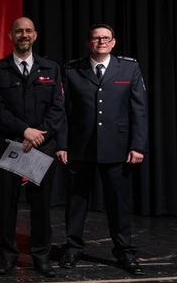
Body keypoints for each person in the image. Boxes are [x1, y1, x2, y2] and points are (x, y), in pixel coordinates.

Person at [56, 24, 148, 276]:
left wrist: (138, 145)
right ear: (88, 43)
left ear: (114, 42)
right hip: (80, 148)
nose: (101, 42)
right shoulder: (73, 69)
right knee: (76, 202)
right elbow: (62, 111)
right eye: (96, 38)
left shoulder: (129, 68)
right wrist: (62, 144)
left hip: (117, 148)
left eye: (105, 38)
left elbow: (139, 110)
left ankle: (125, 252)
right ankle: (73, 248)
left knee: (118, 203)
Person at [0, 16, 65, 278]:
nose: (24, 35)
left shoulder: (50, 68)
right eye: (19, 31)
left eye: (28, 31)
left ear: (35, 35)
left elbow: (57, 107)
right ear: (10, 36)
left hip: (42, 145)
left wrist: (38, 135)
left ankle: (41, 256)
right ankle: (7, 256)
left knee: (41, 204)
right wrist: (24, 131)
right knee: (7, 203)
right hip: (10, 144)